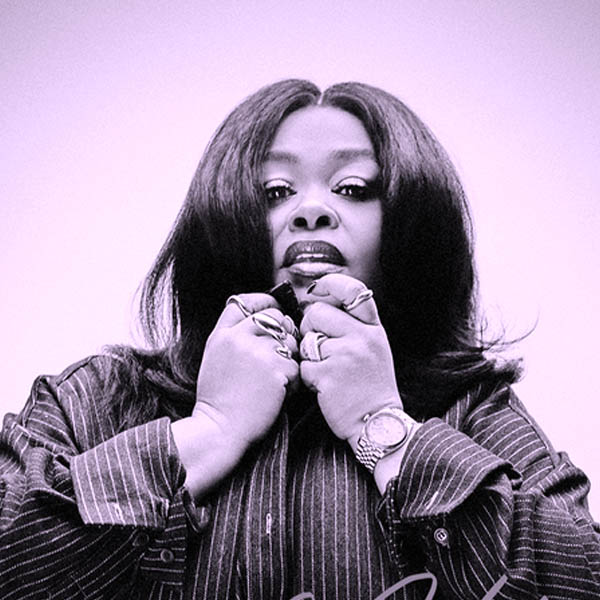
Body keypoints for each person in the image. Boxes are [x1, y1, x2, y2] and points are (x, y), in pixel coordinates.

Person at [0, 79, 598, 600]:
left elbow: (582, 578)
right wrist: (209, 432)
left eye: (353, 187)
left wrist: (386, 430)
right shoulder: (92, 398)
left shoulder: (477, 409)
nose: (311, 211)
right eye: (275, 191)